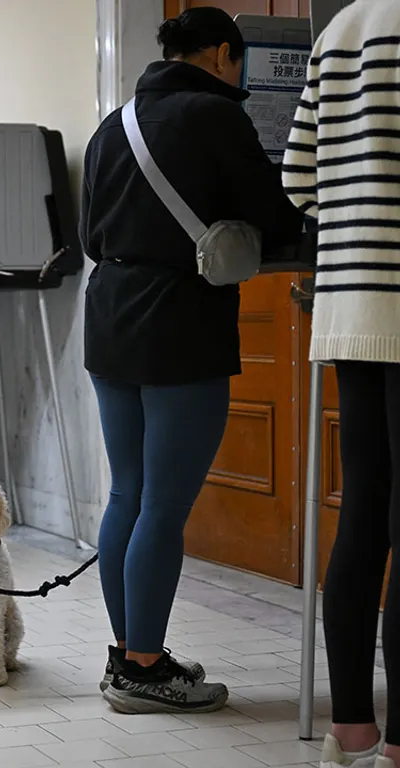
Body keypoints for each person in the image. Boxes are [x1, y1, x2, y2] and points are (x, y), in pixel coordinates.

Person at [79, 7, 304, 714]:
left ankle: (128, 657)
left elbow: (90, 234)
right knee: (165, 506)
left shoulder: (111, 124)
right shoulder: (216, 116)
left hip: (110, 313)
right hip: (179, 319)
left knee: (128, 493)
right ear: (221, 54)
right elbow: (274, 216)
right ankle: (146, 668)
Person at [284, 2, 400, 766]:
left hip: (357, 300)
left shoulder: (345, 27)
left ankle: (353, 728)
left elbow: (298, 180)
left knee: (363, 513)